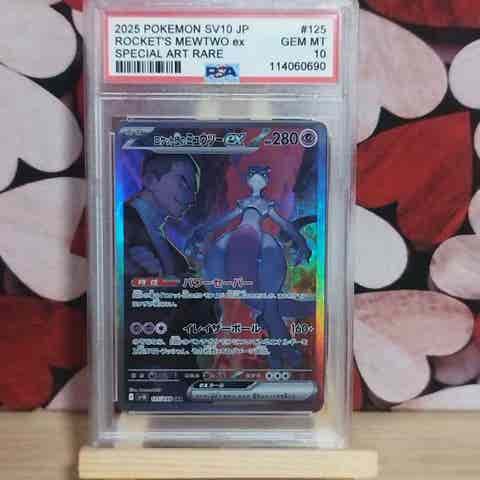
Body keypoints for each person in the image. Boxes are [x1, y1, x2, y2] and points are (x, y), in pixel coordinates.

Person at [124, 153, 200, 277]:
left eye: (194, 191)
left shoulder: (177, 258)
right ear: (150, 181)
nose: (192, 199)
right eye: (184, 184)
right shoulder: (118, 223)